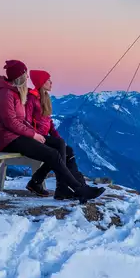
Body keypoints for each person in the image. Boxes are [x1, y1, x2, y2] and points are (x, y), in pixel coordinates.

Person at [0, 60, 98, 202]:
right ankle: (78, 189)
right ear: (19, 77)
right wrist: (33, 134)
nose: (27, 78)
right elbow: (11, 123)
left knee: (59, 144)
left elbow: (21, 121)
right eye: (25, 75)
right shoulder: (5, 95)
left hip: (17, 136)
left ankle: (61, 188)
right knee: (52, 154)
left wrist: (35, 134)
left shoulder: (13, 93)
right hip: (8, 140)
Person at [24, 68, 98, 198]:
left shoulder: (44, 98)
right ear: (41, 83)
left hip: (44, 138)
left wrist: (58, 140)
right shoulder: (32, 99)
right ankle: (62, 187)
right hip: (36, 138)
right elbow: (26, 122)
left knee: (67, 151)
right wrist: (36, 136)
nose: (51, 83)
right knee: (58, 151)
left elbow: (49, 123)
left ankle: (41, 182)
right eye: (48, 80)